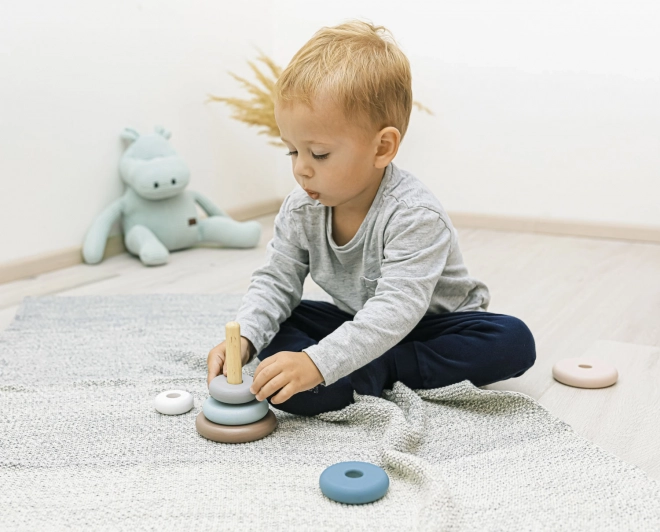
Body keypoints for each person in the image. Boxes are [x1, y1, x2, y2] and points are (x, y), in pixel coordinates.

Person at [207, 19, 536, 416]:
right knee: (278, 320)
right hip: (358, 319)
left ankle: (377, 367)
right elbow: (276, 280)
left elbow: (396, 310)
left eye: (319, 154)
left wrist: (318, 362)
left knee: (512, 341)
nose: (302, 169)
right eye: (292, 151)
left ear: (382, 148)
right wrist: (244, 339)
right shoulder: (300, 209)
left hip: (433, 328)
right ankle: (344, 366)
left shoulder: (414, 214)